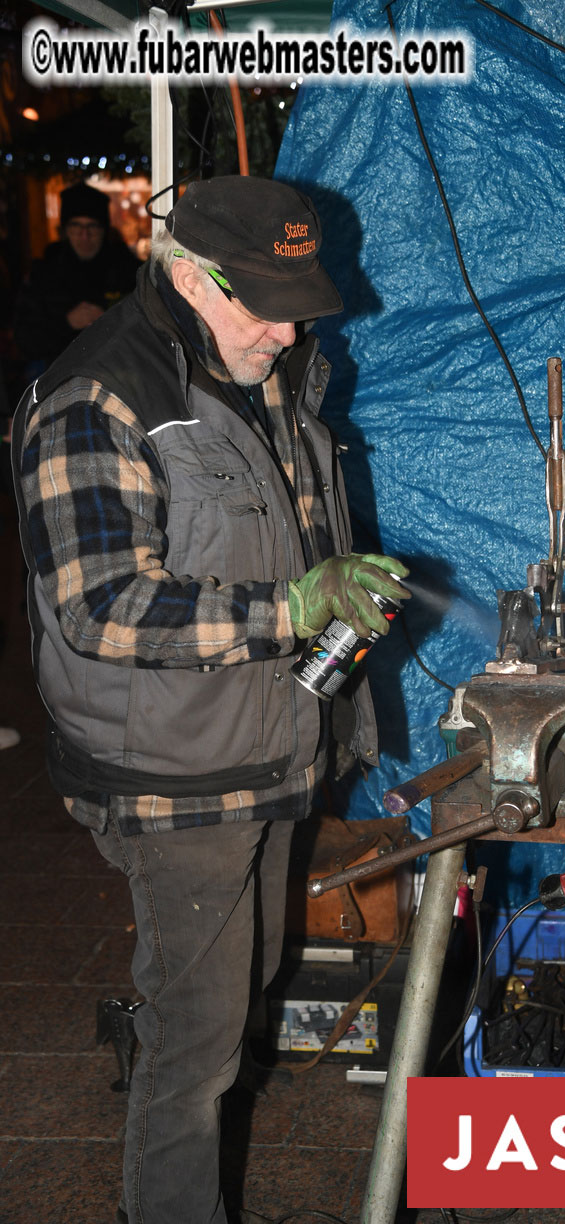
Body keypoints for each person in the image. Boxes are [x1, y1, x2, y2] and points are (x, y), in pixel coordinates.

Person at [12, 175, 409, 1224]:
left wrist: (339, 591)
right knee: (193, 1050)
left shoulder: (260, 369)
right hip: (171, 776)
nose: (286, 329)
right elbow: (99, 606)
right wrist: (292, 605)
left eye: (297, 301)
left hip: (268, 744)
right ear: (188, 274)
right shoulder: (96, 399)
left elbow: (280, 534)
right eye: (265, 302)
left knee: (240, 999)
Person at [14, 181, 141, 374]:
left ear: (103, 230)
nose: (84, 236)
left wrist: (110, 321)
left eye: (92, 227)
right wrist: (67, 323)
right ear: (66, 231)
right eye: (76, 226)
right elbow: (24, 338)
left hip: (118, 376)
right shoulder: (44, 274)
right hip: (57, 379)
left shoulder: (128, 270)